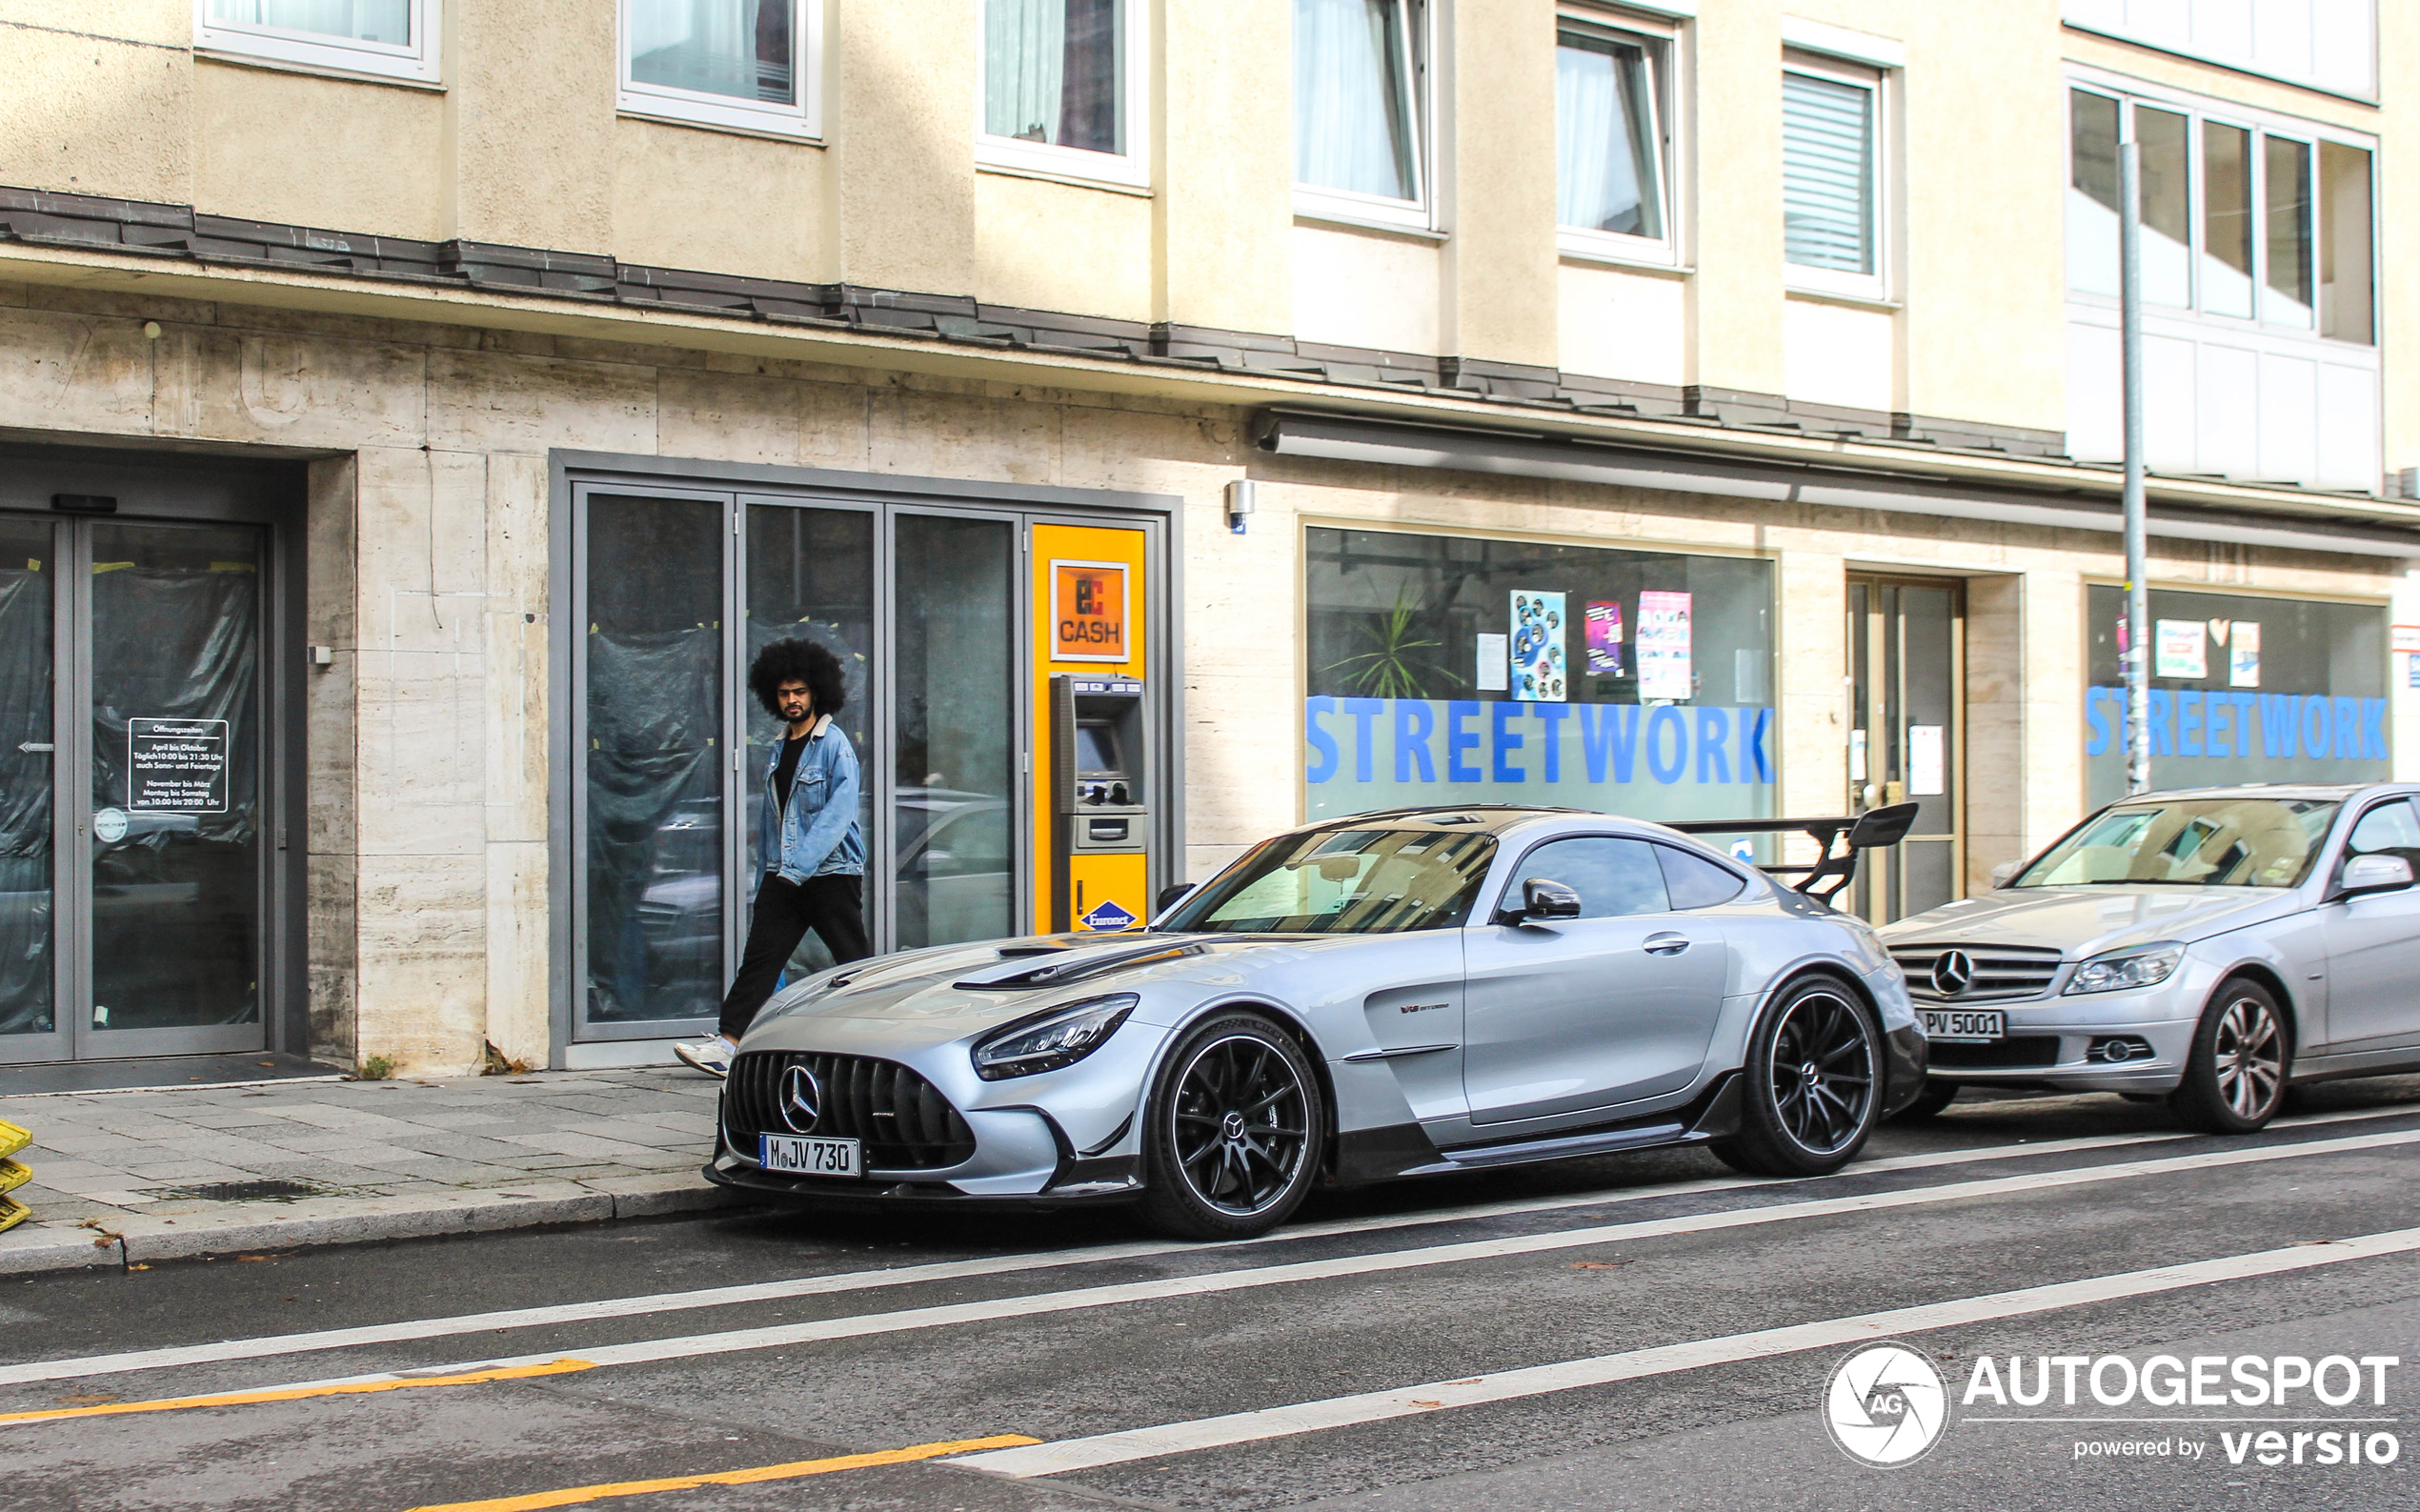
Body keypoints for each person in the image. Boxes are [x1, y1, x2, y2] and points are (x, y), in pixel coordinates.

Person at [675, 640, 869, 1078]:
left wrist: (797, 869)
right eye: (784, 694)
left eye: (799, 691)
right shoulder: (780, 746)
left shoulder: (834, 745)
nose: (792, 701)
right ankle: (729, 1045)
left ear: (816, 692)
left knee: (854, 964)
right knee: (761, 959)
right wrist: (772, 871)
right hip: (784, 876)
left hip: (830, 873)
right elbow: (776, 817)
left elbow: (838, 816)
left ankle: (876, 1043)